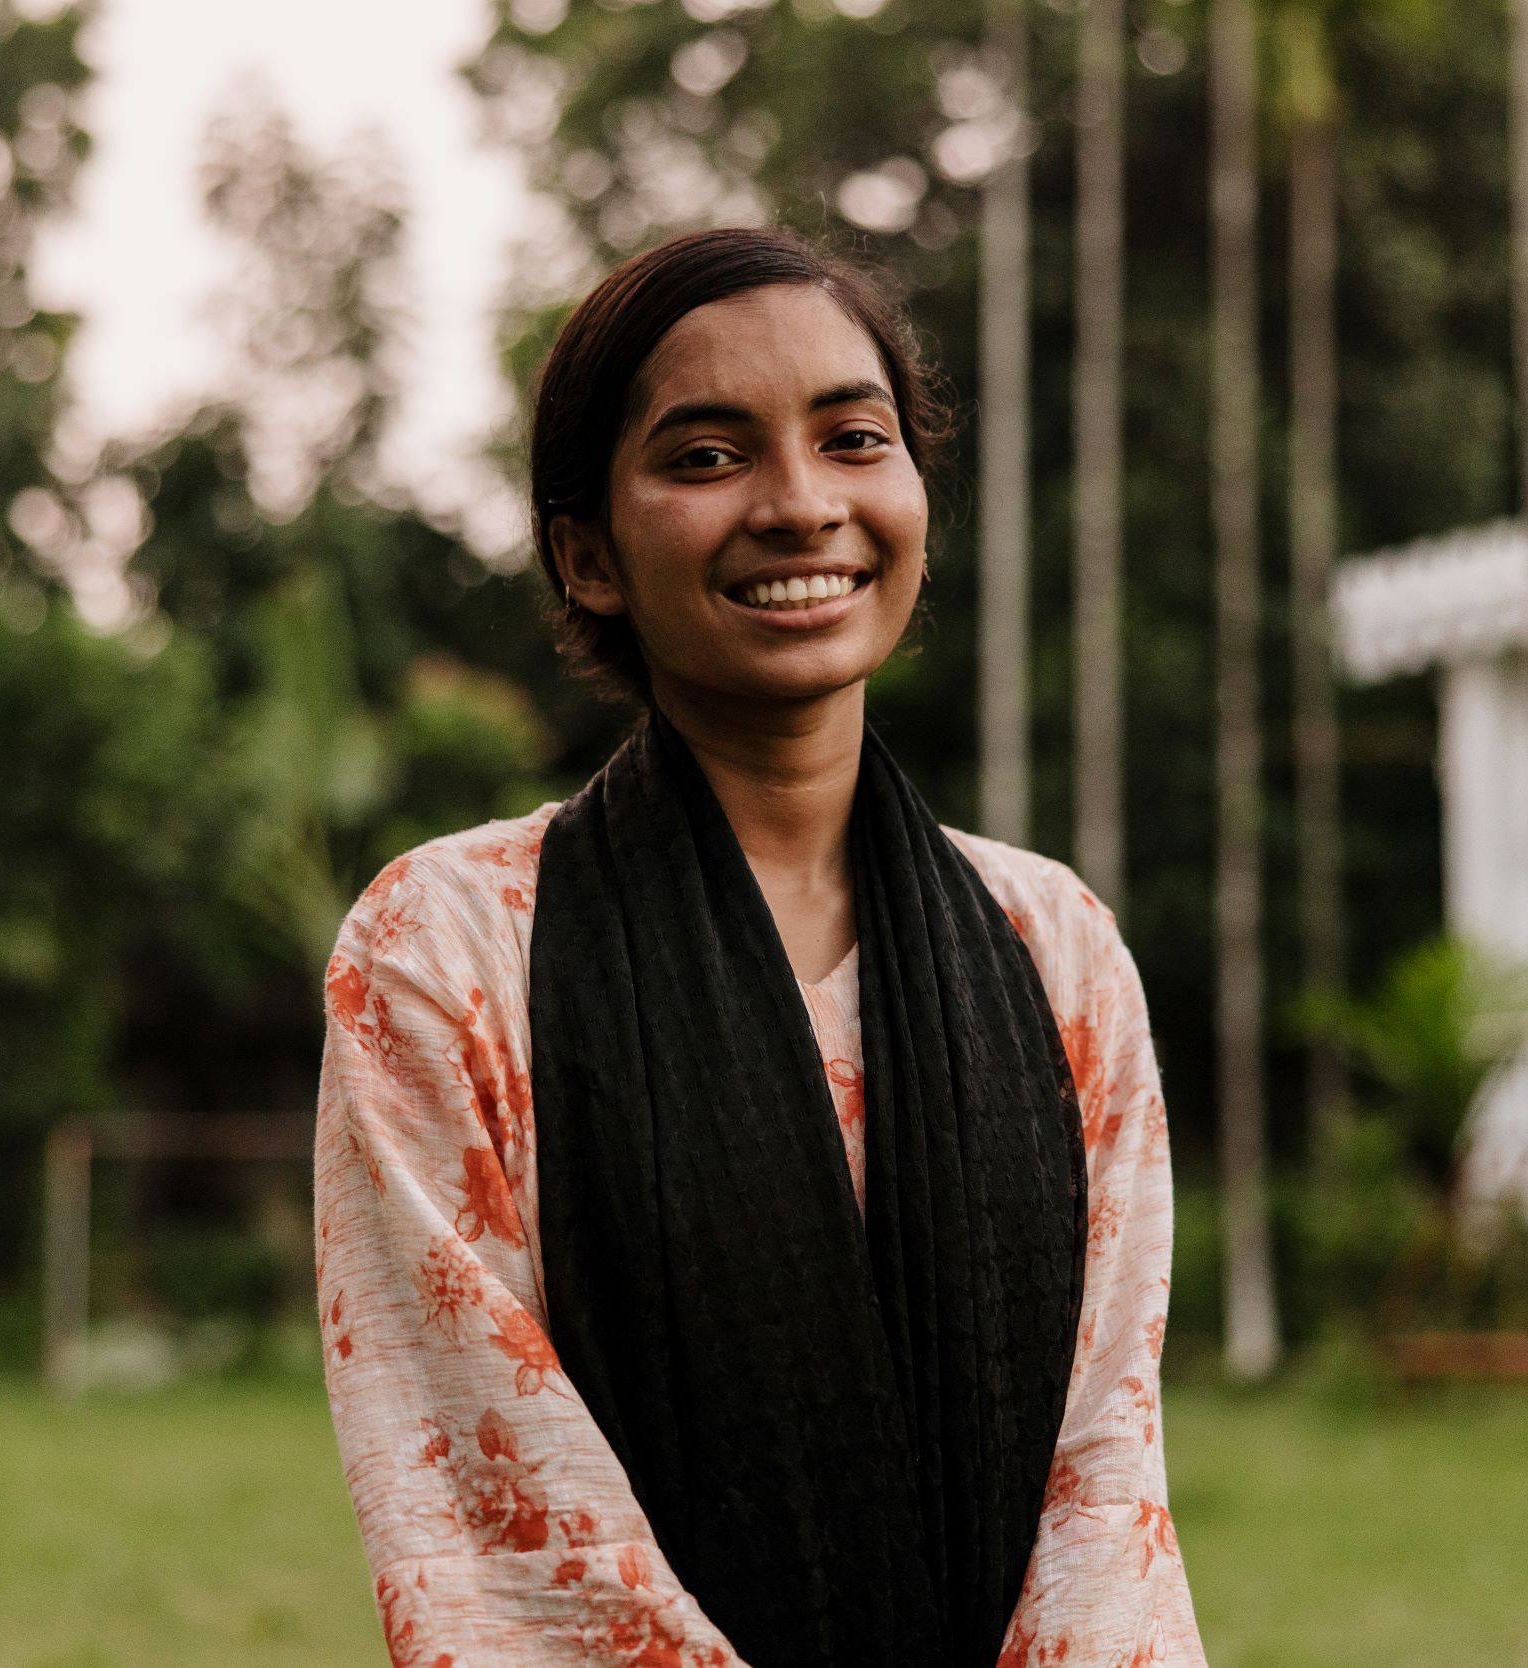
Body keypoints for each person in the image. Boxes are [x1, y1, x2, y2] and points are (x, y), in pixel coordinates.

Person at [313, 226, 1205, 1668]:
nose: (801, 506)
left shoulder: (1053, 950)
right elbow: (491, 1513)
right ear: (588, 555)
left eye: (853, 438)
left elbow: (1103, 1481)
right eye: (708, 456)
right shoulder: (450, 949)